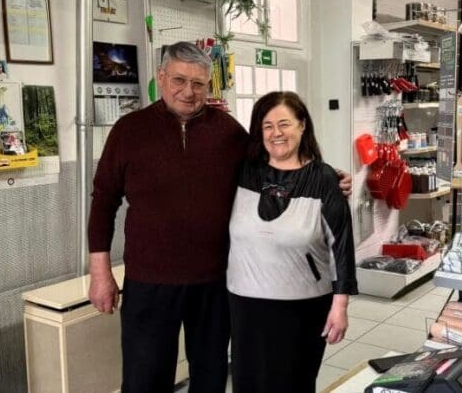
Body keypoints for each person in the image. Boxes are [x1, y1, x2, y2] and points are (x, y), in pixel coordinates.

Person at [87, 42, 352, 393]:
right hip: (149, 281)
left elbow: (274, 162)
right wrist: (100, 272)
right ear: (161, 78)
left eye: (198, 83)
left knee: (211, 378)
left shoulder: (228, 132)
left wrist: (326, 177)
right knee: (144, 379)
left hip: (214, 284)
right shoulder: (129, 131)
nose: (188, 91)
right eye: (179, 80)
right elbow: (103, 201)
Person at [226, 91, 358, 393]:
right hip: (245, 305)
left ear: (302, 125)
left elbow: (341, 246)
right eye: (268, 126)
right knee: (248, 382)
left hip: (302, 307)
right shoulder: (244, 172)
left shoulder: (324, 180)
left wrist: (340, 306)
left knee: (293, 383)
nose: (277, 133)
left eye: (284, 124)